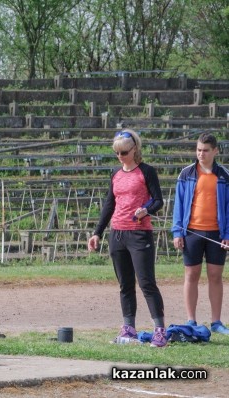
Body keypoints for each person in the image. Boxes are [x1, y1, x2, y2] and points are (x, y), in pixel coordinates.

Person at [88, 129, 167, 347]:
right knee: (125, 285)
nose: (120, 157)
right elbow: (109, 205)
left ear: (135, 150)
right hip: (118, 233)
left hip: (140, 233)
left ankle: (160, 330)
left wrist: (146, 209)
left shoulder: (146, 172)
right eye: (117, 153)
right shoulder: (115, 174)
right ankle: (128, 328)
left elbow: (158, 201)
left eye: (124, 152)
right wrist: (97, 232)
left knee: (146, 283)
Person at [172, 133, 229, 334]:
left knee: (215, 275)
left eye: (205, 150)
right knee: (191, 274)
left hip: (217, 233)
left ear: (215, 151)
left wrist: (228, 234)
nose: (201, 154)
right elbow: (178, 204)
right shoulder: (186, 174)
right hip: (191, 232)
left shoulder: (224, 175)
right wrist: (177, 232)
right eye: (198, 150)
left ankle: (216, 322)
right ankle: (191, 320)